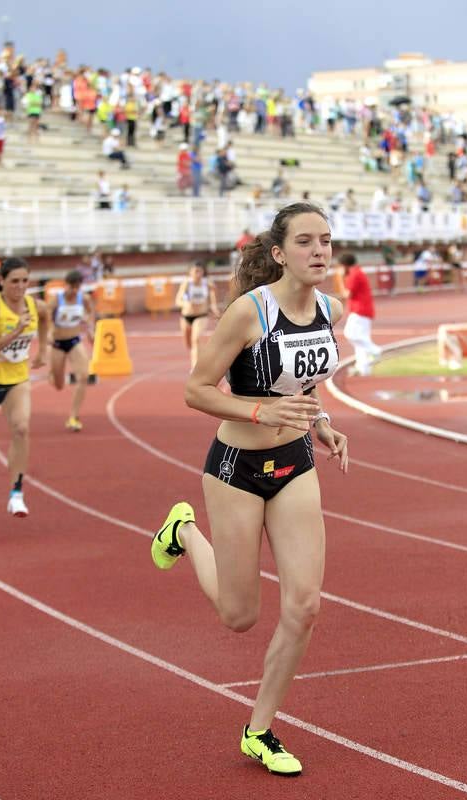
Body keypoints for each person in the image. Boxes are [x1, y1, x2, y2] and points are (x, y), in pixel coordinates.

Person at [151, 202, 348, 776]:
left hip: (296, 465)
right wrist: (262, 412)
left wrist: (323, 424)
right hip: (237, 466)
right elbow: (195, 390)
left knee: (305, 606)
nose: (320, 251)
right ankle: (183, 530)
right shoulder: (249, 312)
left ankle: (258, 729)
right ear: (280, 253)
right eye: (306, 241)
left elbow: (306, 385)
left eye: (327, 241)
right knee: (239, 616)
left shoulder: (330, 311)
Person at [0, 257, 48, 516]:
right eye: (15, 281)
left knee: (22, 428)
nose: (20, 286)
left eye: (25, 281)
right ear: (1, 281)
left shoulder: (35, 306)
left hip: (16, 379)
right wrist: (16, 331)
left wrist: (43, 350)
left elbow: (46, 319)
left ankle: (16, 493)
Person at [47, 269, 95, 431]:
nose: (74, 291)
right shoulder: (56, 301)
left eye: (77, 287)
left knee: (83, 376)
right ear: (65, 285)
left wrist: (90, 329)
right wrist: (48, 332)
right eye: (71, 287)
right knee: (59, 385)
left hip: (75, 340)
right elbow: (45, 318)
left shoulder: (84, 299)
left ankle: (73, 417)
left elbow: (90, 314)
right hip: (58, 344)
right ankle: (53, 374)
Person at [339, 252, 381, 376]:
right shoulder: (358, 272)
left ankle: (375, 350)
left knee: (350, 334)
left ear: (345, 265)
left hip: (359, 310)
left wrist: (341, 279)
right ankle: (363, 368)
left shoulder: (354, 274)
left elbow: (347, 294)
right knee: (360, 341)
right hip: (364, 310)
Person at [175, 262, 220, 370]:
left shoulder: (207, 283)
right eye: (195, 271)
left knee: (196, 339)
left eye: (200, 271)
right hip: (186, 316)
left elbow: (213, 297)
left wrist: (214, 308)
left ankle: (194, 368)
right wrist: (185, 304)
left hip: (201, 315)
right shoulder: (186, 283)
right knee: (189, 344)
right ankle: (199, 353)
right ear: (190, 273)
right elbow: (177, 300)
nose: (198, 274)